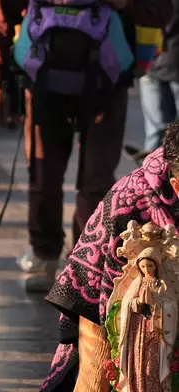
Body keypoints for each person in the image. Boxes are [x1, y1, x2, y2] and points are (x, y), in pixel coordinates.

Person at [0, 0, 173, 292]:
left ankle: (84, 265)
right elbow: (4, 15)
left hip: (105, 85)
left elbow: (161, 11)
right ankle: (45, 255)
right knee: (43, 174)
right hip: (45, 83)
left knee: (95, 180)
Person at [40, 123, 179, 391]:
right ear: (175, 183)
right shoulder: (132, 200)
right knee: (100, 377)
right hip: (109, 305)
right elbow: (115, 292)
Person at [123, 3, 179, 166]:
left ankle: (153, 173)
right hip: (152, 66)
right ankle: (151, 177)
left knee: (157, 132)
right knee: (156, 133)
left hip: (152, 62)